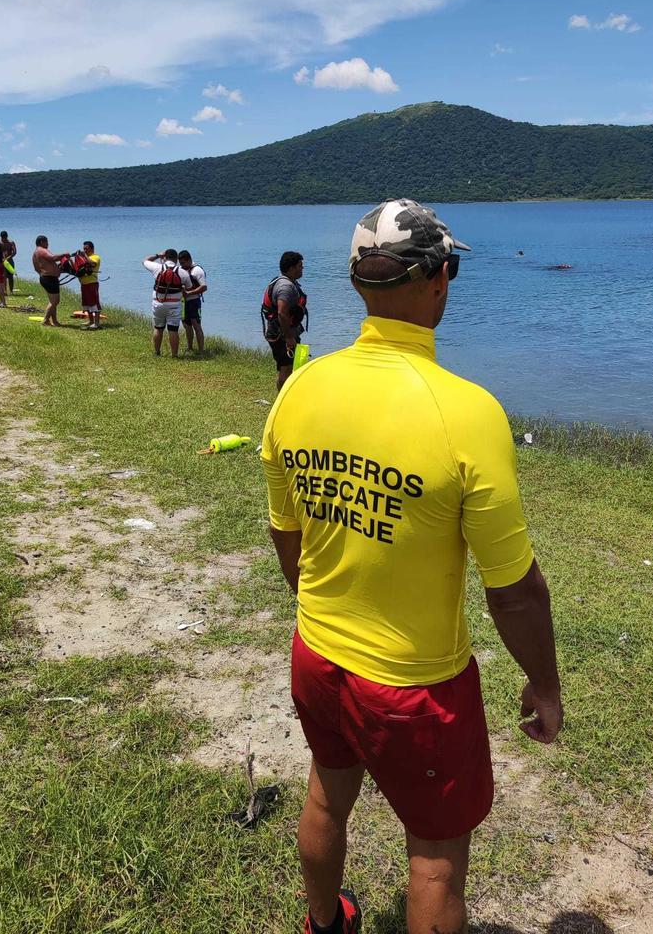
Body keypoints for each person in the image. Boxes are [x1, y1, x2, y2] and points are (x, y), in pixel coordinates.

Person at [261, 199, 563, 934]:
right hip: (415, 686)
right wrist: (545, 681)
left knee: (328, 797)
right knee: (434, 857)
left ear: (359, 282)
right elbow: (514, 591)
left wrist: (324, 610)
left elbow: (286, 536)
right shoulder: (468, 412)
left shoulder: (300, 388)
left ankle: (322, 922)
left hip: (318, 652)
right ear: (441, 278)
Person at [263, 250, 307, 391]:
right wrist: (289, 337)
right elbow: (282, 313)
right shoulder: (286, 287)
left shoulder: (285, 282)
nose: (302, 268)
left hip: (284, 332)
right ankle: (282, 402)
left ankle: (293, 396)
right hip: (282, 335)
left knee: (297, 365)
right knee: (286, 369)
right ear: (291, 268)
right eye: (300, 266)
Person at [142, 249, 192, 358]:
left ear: (165, 257)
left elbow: (144, 260)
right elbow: (189, 287)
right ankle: (174, 355)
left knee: (158, 328)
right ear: (176, 259)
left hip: (158, 304)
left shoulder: (157, 268)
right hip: (174, 305)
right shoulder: (182, 272)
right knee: (173, 330)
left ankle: (157, 352)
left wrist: (157, 255)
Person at [178, 250, 208, 355]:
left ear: (189, 260)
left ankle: (201, 350)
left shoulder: (197, 270)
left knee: (196, 325)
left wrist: (189, 293)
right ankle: (190, 348)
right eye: (180, 263)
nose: (181, 265)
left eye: (183, 263)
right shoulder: (181, 269)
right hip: (183, 302)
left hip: (194, 301)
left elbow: (204, 287)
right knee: (187, 325)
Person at [31, 235, 64, 327]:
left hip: (46, 278)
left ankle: (54, 321)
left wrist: (43, 274)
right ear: (42, 242)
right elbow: (53, 258)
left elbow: (36, 268)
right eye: (47, 242)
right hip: (49, 279)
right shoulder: (42, 250)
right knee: (55, 301)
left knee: (53, 301)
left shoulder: (35, 252)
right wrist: (64, 255)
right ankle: (45, 320)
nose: (48, 244)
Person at [79, 240, 102, 330]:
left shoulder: (95, 257)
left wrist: (84, 256)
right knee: (86, 304)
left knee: (94, 304)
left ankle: (96, 323)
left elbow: (92, 264)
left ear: (92, 249)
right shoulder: (84, 257)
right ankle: (91, 321)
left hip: (92, 283)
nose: (85, 250)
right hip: (84, 284)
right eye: (84, 249)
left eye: (86, 249)